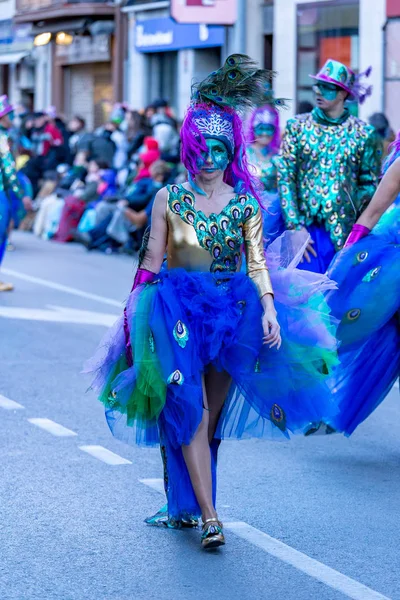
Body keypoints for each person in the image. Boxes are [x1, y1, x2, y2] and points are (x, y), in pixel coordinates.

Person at [86, 55, 339, 549]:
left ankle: (185, 503)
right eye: (201, 149)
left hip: (234, 315)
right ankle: (209, 516)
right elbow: (151, 260)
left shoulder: (247, 204)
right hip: (174, 313)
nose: (209, 159)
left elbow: (258, 262)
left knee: (209, 421)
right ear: (189, 149)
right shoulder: (167, 198)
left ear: (231, 150)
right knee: (188, 409)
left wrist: (268, 306)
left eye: (219, 149)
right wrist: (131, 310)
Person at [316, 131, 400, 436]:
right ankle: (311, 387)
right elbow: (374, 211)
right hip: (392, 263)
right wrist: (346, 257)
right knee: (348, 328)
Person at [278, 59, 382, 273]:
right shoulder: (296, 127)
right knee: (300, 298)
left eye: (327, 88)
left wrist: (354, 225)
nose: (319, 92)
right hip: (303, 234)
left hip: (344, 237)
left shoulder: (364, 134)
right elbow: (285, 176)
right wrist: (294, 227)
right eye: (318, 86)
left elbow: (369, 184)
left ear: (343, 93)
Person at [246, 85, 286, 244]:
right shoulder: (242, 154)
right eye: (261, 128)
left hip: (274, 219)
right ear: (253, 128)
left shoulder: (279, 157)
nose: (264, 133)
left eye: (269, 129)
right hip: (247, 215)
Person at [0, 95, 31, 291]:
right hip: (1, 194)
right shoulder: (2, 138)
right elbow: (9, 170)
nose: (12, 119)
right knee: (1, 234)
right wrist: (23, 195)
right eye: (9, 115)